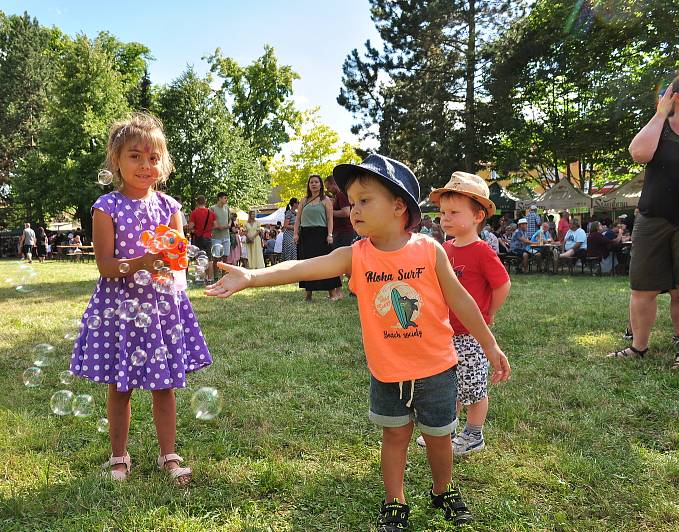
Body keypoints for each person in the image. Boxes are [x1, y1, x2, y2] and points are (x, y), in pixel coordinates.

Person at [206, 154, 511, 528]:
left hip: (437, 370)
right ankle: (394, 499)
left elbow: (462, 301)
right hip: (388, 373)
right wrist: (252, 278)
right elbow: (303, 267)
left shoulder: (430, 250)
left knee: (439, 440)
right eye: (352, 202)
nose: (354, 210)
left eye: (365, 200)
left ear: (399, 205)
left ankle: (442, 489)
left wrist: (490, 345)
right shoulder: (355, 255)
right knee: (395, 436)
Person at [70, 111, 211, 483]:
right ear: (115, 160)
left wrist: (169, 263)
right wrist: (142, 262)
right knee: (121, 384)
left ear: (163, 163)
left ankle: (169, 454)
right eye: (135, 156)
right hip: (121, 306)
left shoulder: (170, 207)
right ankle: (119, 457)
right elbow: (105, 266)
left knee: (164, 384)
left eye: (153, 157)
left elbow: (177, 259)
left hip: (161, 306)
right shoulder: (107, 208)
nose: (145, 165)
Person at [608, 71, 679, 368]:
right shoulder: (660, 127)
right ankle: (638, 347)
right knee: (642, 288)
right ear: (677, 96)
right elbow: (639, 153)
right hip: (653, 217)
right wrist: (660, 114)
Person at [412, 172, 511, 456]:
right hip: (445, 332)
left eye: (454, 212)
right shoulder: (444, 249)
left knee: (473, 386)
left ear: (478, 216)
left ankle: (474, 435)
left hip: (471, 334)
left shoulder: (482, 251)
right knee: (448, 384)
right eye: (443, 212)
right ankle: (447, 431)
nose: (446, 218)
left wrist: (488, 313)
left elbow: (503, 284)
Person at [293, 174, 340, 301]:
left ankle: (332, 294)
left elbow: (330, 219)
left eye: (316, 182)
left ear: (321, 185)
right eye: (311, 182)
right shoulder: (303, 201)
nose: (313, 184)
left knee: (326, 264)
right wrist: (296, 234)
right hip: (306, 236)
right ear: (309, 185)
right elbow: (298, 219)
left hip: (322, 235)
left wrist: (330, 234)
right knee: (307, 264)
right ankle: (308, 295)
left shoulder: (326, 200)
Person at [326, 175, 356, 300]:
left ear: (334, 184)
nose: (328, 190)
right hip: (341, 232)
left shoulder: (342, 195)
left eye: (329, 187)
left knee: (340, 263)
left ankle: (339, 293)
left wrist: (329, 211)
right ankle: (354, 290)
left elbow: (346, 212)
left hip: (345, 232)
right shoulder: (338, 196)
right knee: (343, 264)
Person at [189, 196, 215, 282]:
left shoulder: (194, 212)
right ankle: (210, 278)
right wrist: (209, 229)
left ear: (197, 202)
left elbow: (191, 226)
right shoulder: (211, 213)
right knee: (210, 259)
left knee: (198, 258)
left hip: (198, 237)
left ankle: (199, 278)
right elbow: (216, 225)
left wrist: (193, 230)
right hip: (208, 237)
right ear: (205, 202)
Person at [210, 192, 231, 279]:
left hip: (226, 235)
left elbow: (230, 219)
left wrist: (228, 225)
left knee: (225, 256)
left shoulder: (227, 208)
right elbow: (211, 220)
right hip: (216, 236)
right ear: (219, 198)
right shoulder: (212, 208)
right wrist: (218, 226)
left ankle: (224, 275)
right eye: (224, 198)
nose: (226, 200)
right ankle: (216, 276)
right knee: (216, 257)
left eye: (226, 198)